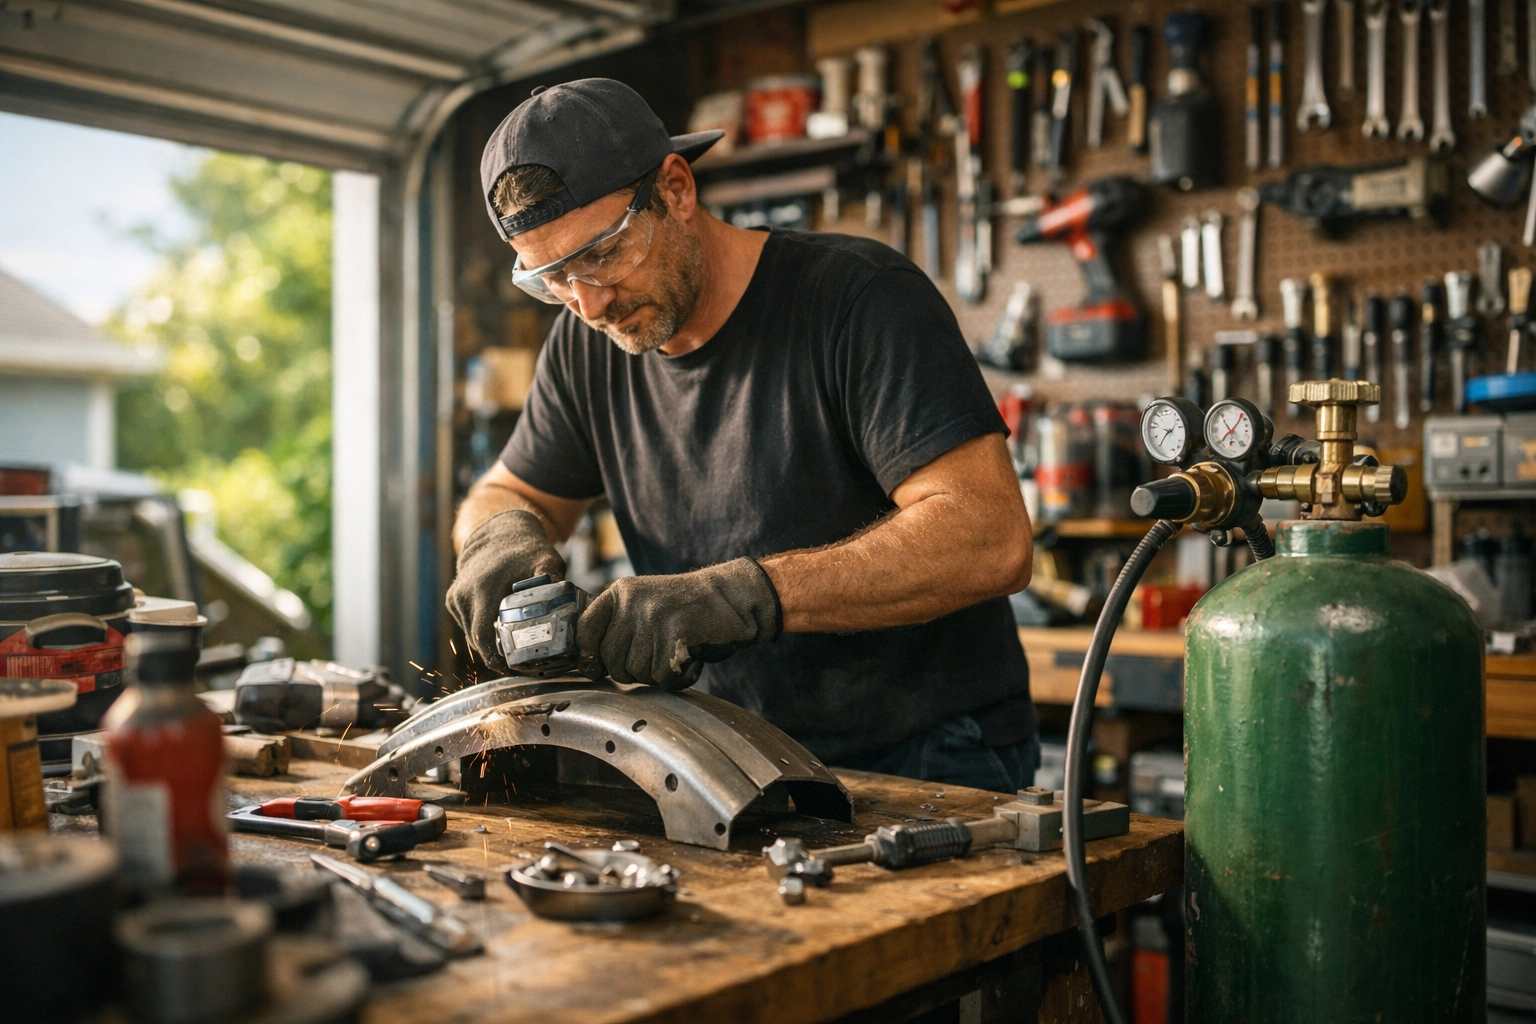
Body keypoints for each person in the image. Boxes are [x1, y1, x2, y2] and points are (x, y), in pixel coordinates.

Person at [447, 78, 1038, 792]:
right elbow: (508, 489)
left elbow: (989, 535)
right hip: (731, 758)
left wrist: (742, 596)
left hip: (929, 751)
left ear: (676, 189)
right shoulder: (584, 346)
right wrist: (497, 538)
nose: (589, 302)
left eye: (602, 253)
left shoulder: (858, 299)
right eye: (553, 278)